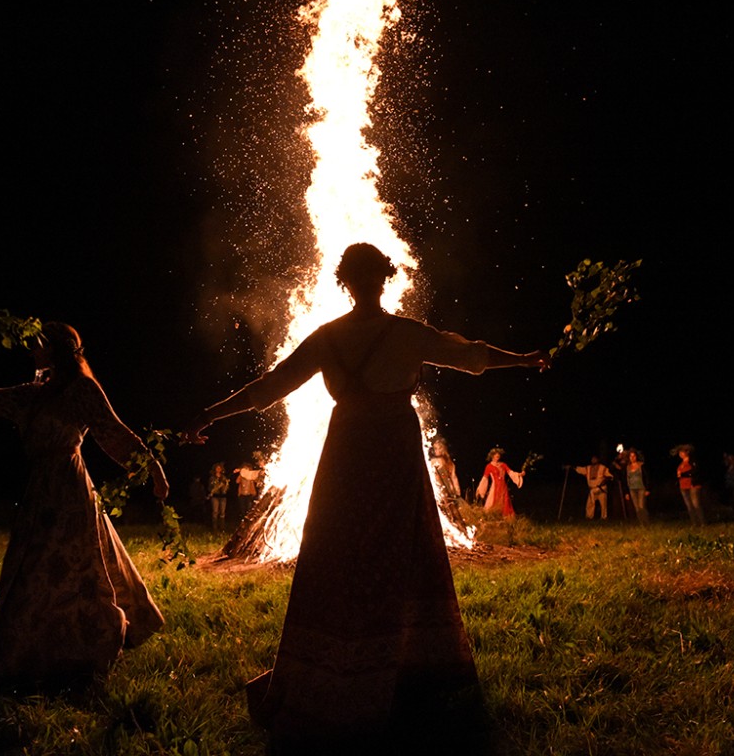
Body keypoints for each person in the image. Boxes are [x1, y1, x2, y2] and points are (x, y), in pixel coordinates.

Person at [183, 242, 548, 753]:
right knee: (402, 549)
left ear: (343, 282)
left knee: (337, 550)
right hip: (393, 452)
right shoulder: (405, 333)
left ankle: (336, 663)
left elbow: (268, 388)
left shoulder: (328, 338)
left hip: (347, 451)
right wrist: (526, 359)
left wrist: (207, 414)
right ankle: (410, 667)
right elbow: (473, 355)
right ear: (385, 278)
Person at [0, 320, 170, 693]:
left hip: (69, 488)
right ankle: (27, 653)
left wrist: (154, 471)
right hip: (38, 491)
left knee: (79, 568)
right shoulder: (34, 393)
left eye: (39, 343)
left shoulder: (82, 389)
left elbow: (114, 433)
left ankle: (90, 647)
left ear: (57, 349)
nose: (31, 348)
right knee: (29, 571)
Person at [429, 436, 469, 535]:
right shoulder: (431, 461)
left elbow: (453, 476)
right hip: (437, 489)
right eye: (435, 448)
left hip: (447, 489)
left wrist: (456, 490)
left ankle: (460, 531)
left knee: (453, 510)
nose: (437, 450)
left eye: (439, 448)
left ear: (443, 449)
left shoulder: (449, 462)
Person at [476, 447, 524, 518]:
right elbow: (485, 479)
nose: (498, 457)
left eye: (499, 456)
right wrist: (480, 489)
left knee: (505, 501)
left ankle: (507, 518)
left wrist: (519, 474)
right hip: (495, 487)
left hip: (503, 487)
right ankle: (494, 516)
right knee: (494, 501)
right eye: (496, 456)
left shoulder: (503, 464)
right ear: (492, 456)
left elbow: (510, 472)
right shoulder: (489, 466)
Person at [569, 455, 613, 520]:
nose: (593, 460)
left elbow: (610, 476)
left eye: (594, 459)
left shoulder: (603, 468)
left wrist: (605, 480)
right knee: (590, 504)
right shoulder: (588, 468)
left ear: (598, 460)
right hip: (592, 489)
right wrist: (571, 467)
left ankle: (604, 517)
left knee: (603, 504)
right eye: (592, 459)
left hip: (601, 489)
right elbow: (580, 469)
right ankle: (589, 517)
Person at [674, 444, 705, 525]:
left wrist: (683, 474)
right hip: (683, 486)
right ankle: (694, 523)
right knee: (689, 506)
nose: (680, 454)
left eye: (682, 452)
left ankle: (702, 522)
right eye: (679, 452)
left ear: (687, 452)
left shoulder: (693, 461)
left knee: (696, 504)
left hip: (693, 485)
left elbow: (695, 472)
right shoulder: (681, 464)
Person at [622, 447, 651, 525]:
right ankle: (642, 523)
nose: (632, 458)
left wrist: (648, 489)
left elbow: (646, 477)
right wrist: (626, 492)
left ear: (636, 456)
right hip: (632, 489)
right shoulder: (627, 467)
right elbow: (625, 480)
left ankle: (646, 522)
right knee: (637, 507)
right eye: (630, 456)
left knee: (641, 506)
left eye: (634, 456)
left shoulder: (641, 465)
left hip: (641, 488)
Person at [208, 461, 230, 533]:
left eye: (220, 468)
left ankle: (222, 528)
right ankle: (215, 528)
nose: (218, 469)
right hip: (215, 497)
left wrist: (226, 484)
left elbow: (227, 488)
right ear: (215, 469)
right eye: (217, 468)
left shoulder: (224, 477)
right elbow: (210, 488)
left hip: (223, 497)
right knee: (215, 512)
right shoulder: (212, 478)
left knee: (222, 512)